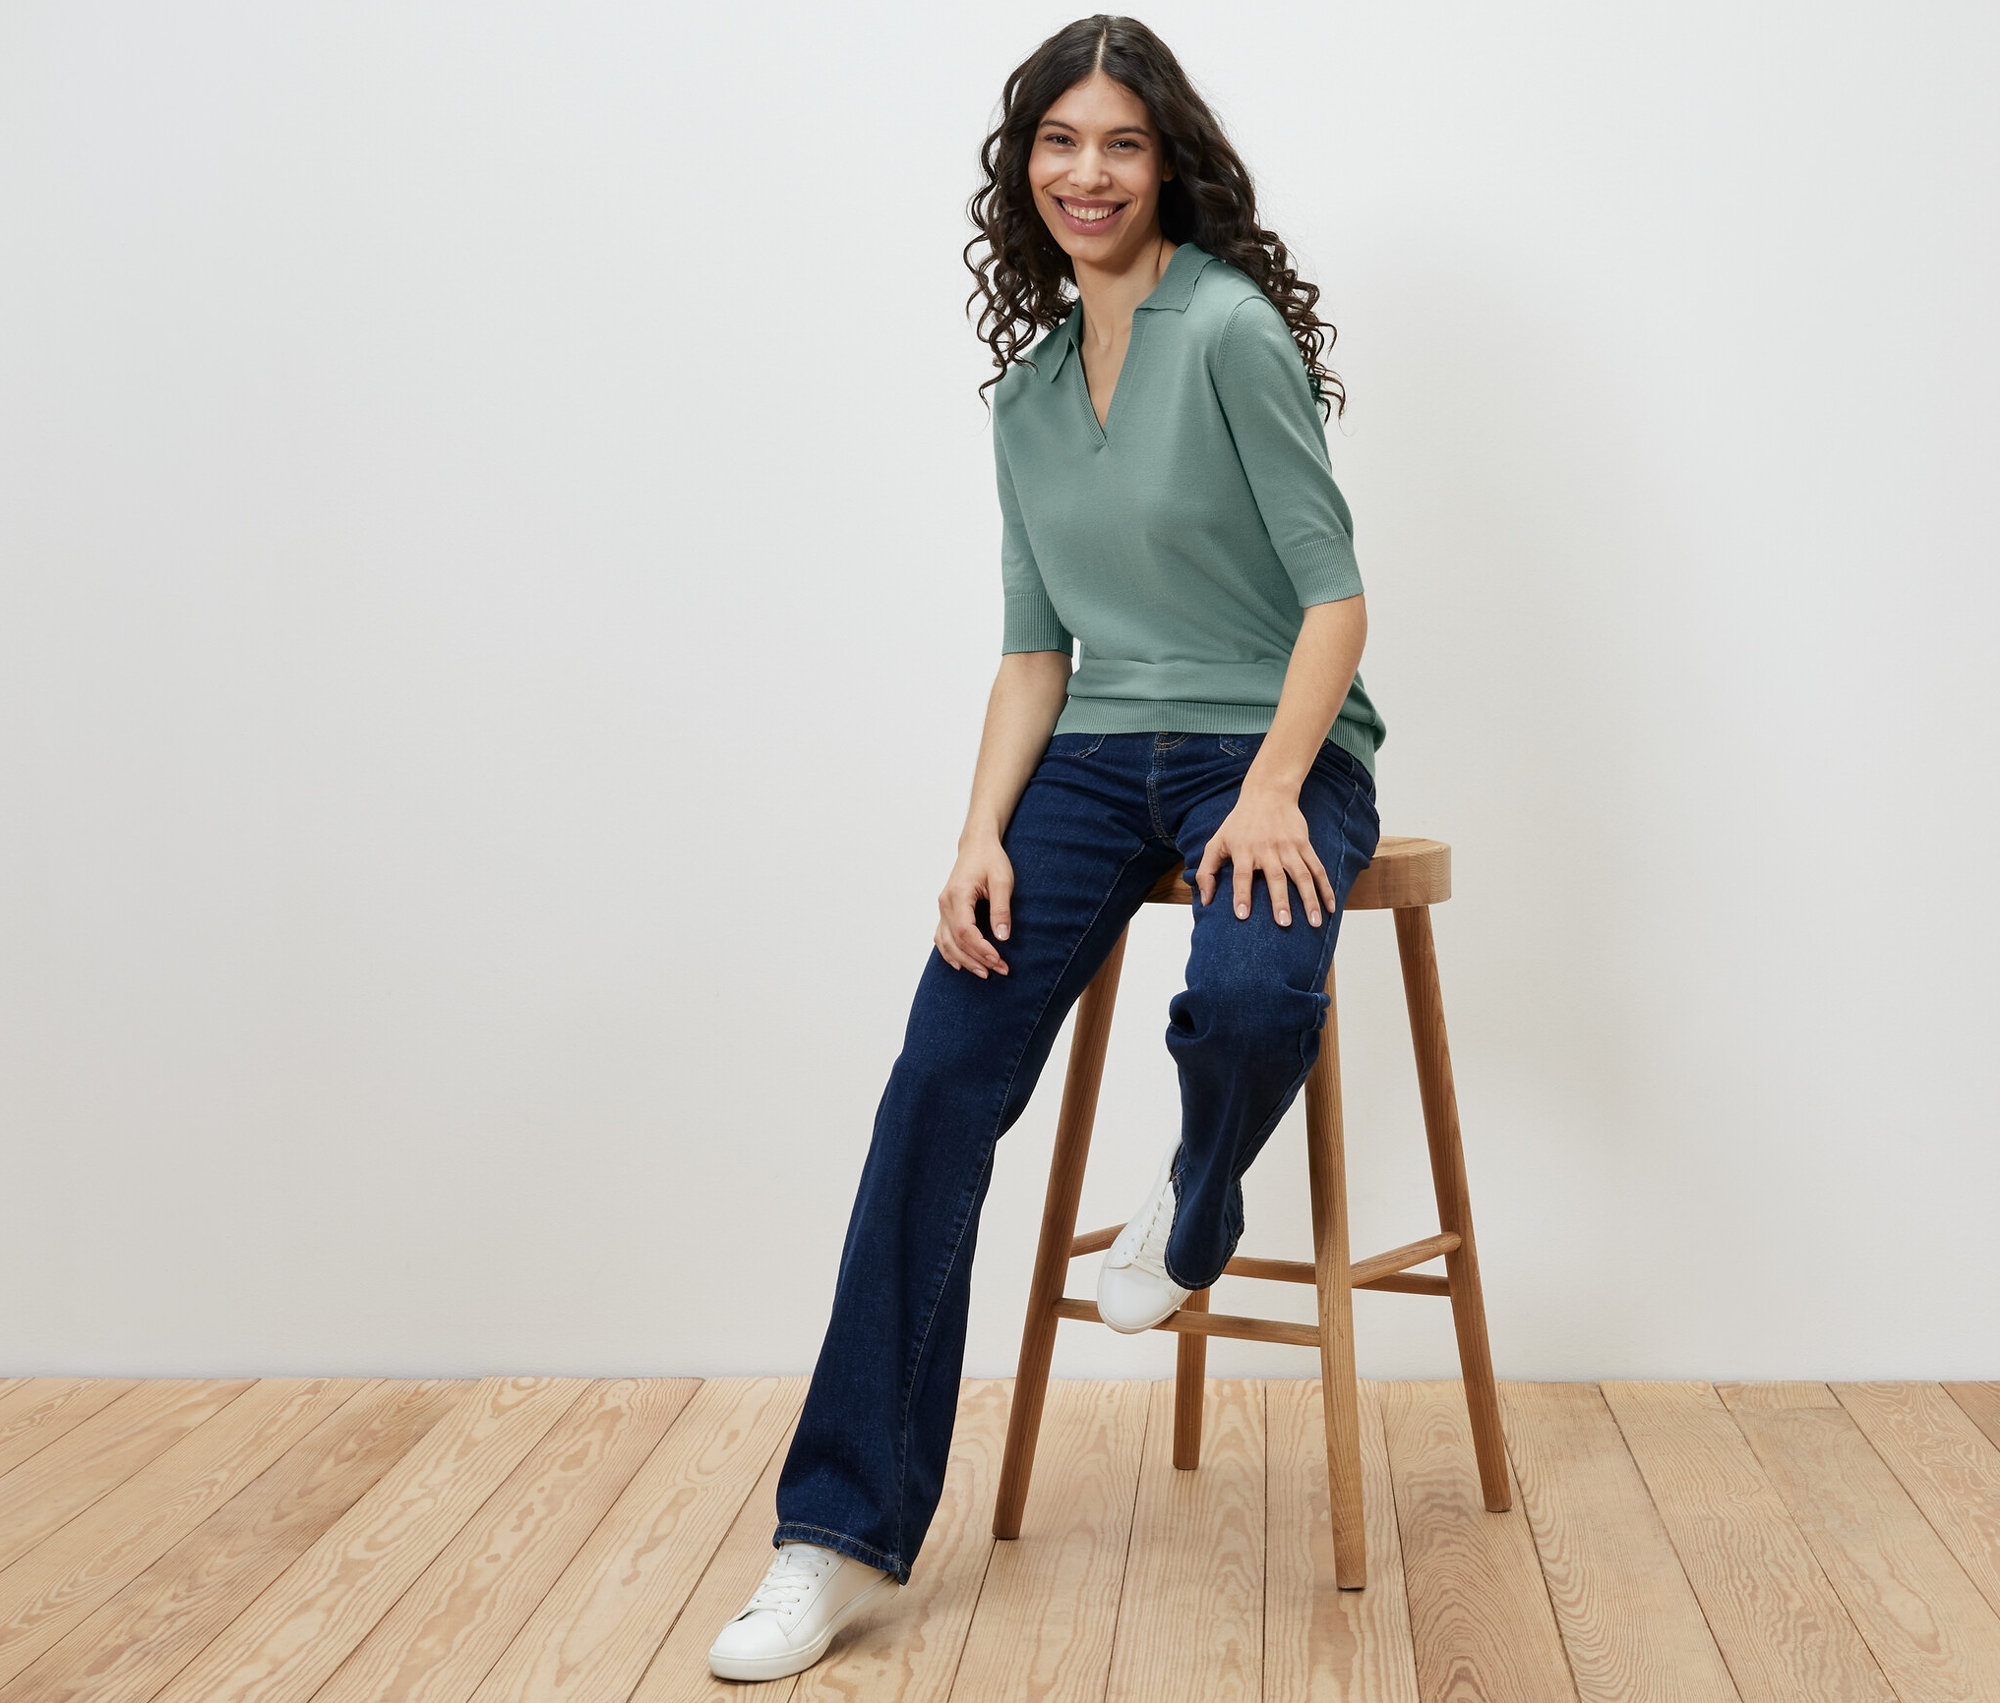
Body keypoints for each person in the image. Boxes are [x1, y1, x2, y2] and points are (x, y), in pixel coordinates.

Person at [708, 14, 1386, 1683]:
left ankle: (1194, 1206)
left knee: (1241, 999)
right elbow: (1035, 653)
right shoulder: (1020, 395)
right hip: (1090, 762)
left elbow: (1335, 599)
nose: (1089, 173)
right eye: (1062, 143)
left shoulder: (1228, 333)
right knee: (938, 1081)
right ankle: (837, 1538)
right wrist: (978, 832)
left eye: (1124, 145)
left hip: (1268, 744)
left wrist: (1279, 787)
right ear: (1028, 168)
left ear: (1172, 167)